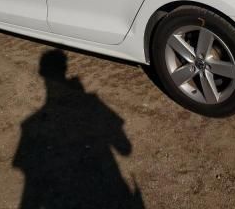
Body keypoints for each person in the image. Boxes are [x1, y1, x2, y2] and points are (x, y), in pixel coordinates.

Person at [13, 49, 143, 209]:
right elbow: (125, 148)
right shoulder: (95, 105)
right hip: (105, 190)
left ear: (41, 73)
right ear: (65, 69)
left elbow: (30, 184)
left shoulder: (30, 125)